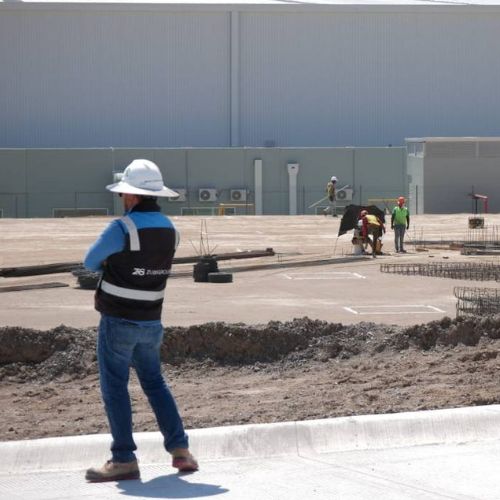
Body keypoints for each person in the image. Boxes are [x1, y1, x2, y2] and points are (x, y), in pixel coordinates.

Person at [83, 159, 198, 482]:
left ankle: (123, 459)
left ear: (131, 197)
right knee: (154, 383)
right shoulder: (170, 231)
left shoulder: (122, 228)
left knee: (115, 387)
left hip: (119, 319)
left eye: (124, 195)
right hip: (152, 322)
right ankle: (180, 450)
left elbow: (90, 261)